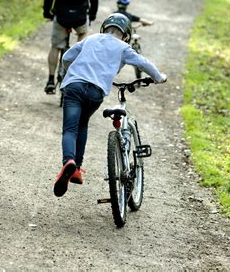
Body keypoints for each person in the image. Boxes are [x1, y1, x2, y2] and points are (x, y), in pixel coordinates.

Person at [53, 13, 167, 197]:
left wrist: (71, 73)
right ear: (126, 35)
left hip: (74, 86)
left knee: (70, 129)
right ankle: (77, 168)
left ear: (104, 28)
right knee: (83, 124)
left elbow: (66, 57)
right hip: (95, 92)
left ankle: (69, 161)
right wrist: (159, 77)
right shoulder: (123, 47)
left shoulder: (90, 39)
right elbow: (142, 63)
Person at [43, 0, 98, 94]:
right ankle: (76, 71)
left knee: (55, 46)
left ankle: (51, 80)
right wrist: (91, 16)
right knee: (82, 36)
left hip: (61, 17)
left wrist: (47, 13)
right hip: (79, 17)